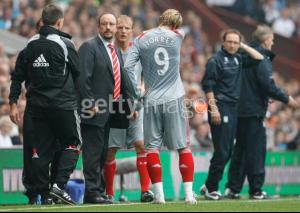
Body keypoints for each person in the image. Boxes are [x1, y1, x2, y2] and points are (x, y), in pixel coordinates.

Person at [9, 4, 81, 205]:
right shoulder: (66, 44)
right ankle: (57, 187)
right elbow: (78, 75)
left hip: (36, 108)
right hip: (62, 106)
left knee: (38, 152)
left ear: (42, 21)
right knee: (72, 144)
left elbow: (17, 77)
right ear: (60, 22)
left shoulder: (29, 45)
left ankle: (42, 194)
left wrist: (13, 104)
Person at [124, 9, 197, 205]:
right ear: (175, 25)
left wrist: (137, 91)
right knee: (183, 147)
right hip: (175, 97)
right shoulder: (178, 35)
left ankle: (159, 196)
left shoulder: (141, 38)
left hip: (151, 98)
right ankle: (189, 195)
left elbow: (128, 67)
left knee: (152, 148)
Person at [225, 25, 299, 200]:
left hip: (239, 109)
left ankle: (233, 188)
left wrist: (262, 95)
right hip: (253, 112)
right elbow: (267, 84)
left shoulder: (241, 57)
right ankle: (256, 190)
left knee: (240, 151)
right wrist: (287, 98)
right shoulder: (262, 58)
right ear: (265, 40)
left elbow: (249, 84)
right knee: (256, 151)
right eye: (272, 40)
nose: (272, 43)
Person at [200, 29, 264, 200]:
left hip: (233, 108)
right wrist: (213, 109)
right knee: (223, 151)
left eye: (236, 42)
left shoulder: (238, 58)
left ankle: (209, 184)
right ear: (223, 42)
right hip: (220, 107)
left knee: (227, 151)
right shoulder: (215, 61)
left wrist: (242, 45)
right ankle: (211, 187)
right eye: (230, 41)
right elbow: (208, 87)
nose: (233, 45)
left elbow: (259, 57)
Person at [78, 13, 132, 204]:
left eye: (112, 24)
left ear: (116, 27)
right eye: (104, 24)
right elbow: (82, 78)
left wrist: (130, 106)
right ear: (98, 26)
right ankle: (92, 192)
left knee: (102, 153)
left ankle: (97, 191)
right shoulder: (89, 47)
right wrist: (90, 103)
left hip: (111, 110)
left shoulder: (114, 50)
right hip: (93, 109)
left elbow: (121, 81)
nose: (108, 27)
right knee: (92, 153)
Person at [104, 15, 154, 203]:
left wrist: (143, 89)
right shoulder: (109, 51)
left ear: (132, 31)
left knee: (141, 145)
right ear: (115, 29)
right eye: (120, 27)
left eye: (127, 28)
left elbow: (147, 78)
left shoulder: (140, 53)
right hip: (115, 107)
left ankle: (145, 191)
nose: (123, 31)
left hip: (137, 107)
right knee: (111, 150)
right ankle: (109, 193)